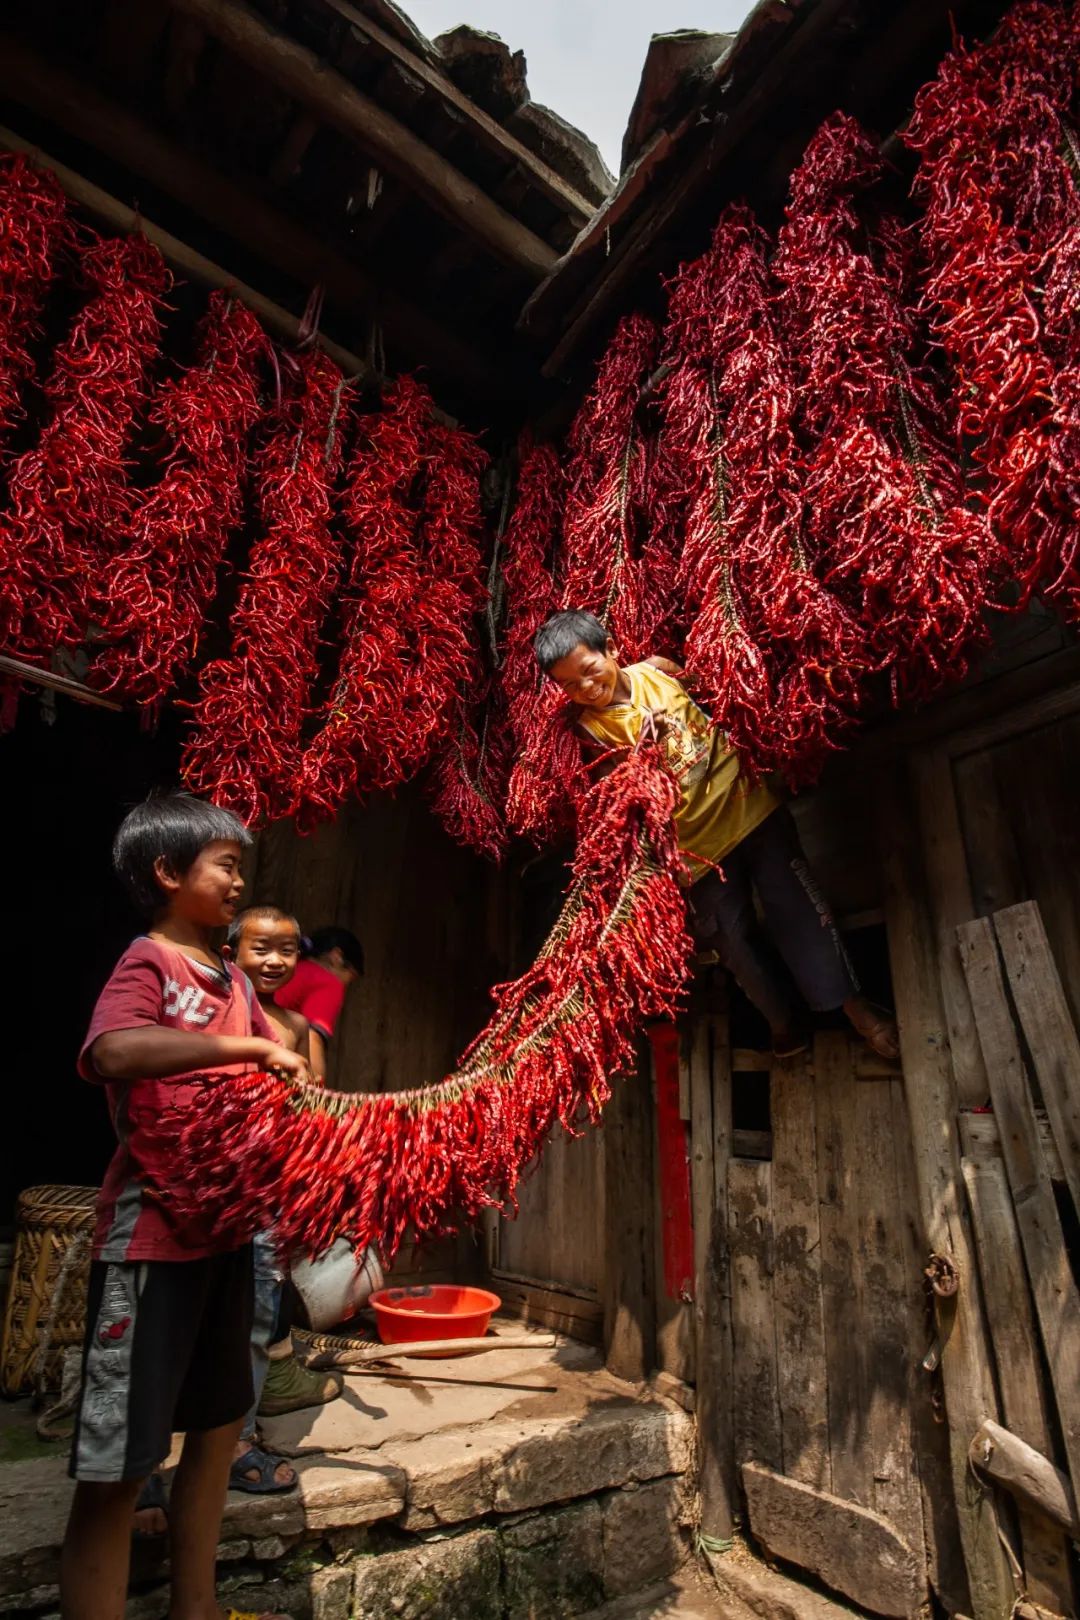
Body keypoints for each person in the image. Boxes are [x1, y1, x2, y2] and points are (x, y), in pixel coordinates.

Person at [61, 792, 308, 1620]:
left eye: (241, 867)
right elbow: (113, 1049)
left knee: (217, 1431)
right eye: (225, 866)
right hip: (151, 1248)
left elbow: (276, 1069)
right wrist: (246, 1045)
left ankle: (194, 1609)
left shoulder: (233, 976)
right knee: (120, 1468)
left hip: (226, 1239)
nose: (239, 881)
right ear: (169, 872)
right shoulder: (151, 964)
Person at [534, 610, 899, 1061]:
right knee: (734, 944)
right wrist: (641, 756)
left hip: (750, 808)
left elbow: (719, 700)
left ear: (611, 649)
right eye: (571, 685)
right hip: (696, 852)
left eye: (590, 671)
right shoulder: (589, 732)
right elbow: (621, 800)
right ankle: (784, 1025)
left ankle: (857, 1011)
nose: (587, 688)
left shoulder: (659, 671)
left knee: (801, 911)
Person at [225, 906, 342, 1496]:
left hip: (267, 1189)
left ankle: (238, 1441)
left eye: (287, 950)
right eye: (260, 949)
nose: (273, 961)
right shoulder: (213, 1013)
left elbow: (312, 1101)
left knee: (257, 1314)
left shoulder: (296, 1025)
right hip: (213, 1186)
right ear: (232, 953)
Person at [274, 925, 363, 1081]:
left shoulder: (294, 970)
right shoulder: (328, 982)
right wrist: (316, 1090)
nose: (347, 984)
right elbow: (313, 1037)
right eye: (351, 977)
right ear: (337, 956)